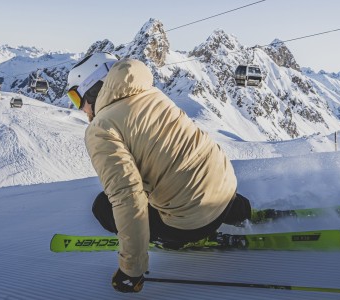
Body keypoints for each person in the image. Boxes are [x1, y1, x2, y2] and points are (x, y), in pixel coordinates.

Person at [66, 53, 253, 293]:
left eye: (76, 97)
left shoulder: (101, 127)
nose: (80, 108)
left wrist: (131, 270)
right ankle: (240, 210)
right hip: (227, 190)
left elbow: (128, 198)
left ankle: (176, 237)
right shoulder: (153, 94)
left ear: (93, 88)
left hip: (193, 223)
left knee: (102, 206)